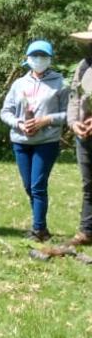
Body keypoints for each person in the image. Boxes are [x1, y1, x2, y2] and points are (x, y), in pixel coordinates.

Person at [0, 40, 68, 242]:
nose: (39, 60)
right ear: (28, 59)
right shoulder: (19, 83)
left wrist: (47, 120)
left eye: (43, 56)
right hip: (21, 141)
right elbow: (5, 111)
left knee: (38, 185)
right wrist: (19, 124)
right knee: (29, 186)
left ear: (50, 59)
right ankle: (41, 227)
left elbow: (69, 113)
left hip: (46, 142)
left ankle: (38, 229)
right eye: (35, 56)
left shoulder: (60, 83)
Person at [68, 23, 92, 246]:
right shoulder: (83, 66)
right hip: (84, 135)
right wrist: (74, 123)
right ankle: (86, 231)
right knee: (88, 183)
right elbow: (74, 98)